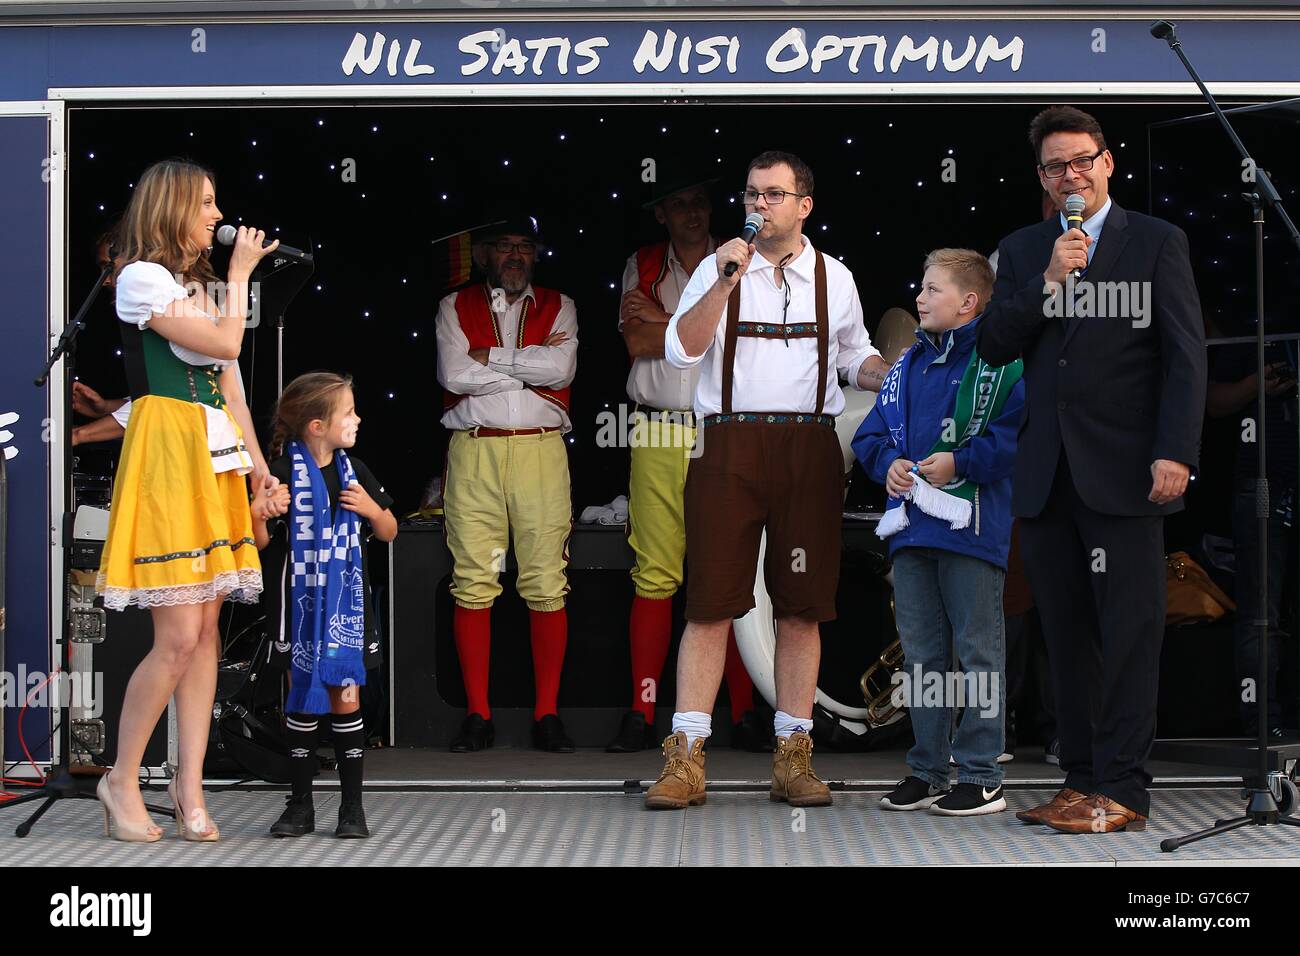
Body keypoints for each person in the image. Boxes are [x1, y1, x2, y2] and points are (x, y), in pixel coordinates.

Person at [977, 106, 1207, 833]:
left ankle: (1125, 791)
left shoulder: (1157, 243)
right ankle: (1080, 781)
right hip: (1048, 474)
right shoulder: (1023, 249)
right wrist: (1048, 280)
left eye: (1082, 160)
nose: (1070, 175)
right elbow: (992, 346)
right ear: (1042, 178)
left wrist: (1176, 450)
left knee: (1130, 631)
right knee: (1066, 633)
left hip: (1130, 471)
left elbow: (1184, 356)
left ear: (1108, 163)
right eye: (1055, 166)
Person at [644, 150, 889, 810]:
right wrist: (724, 282)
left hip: (808, 447)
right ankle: (685, 759)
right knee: (710, 602)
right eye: (753, 195)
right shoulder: (717, 267)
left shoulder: (834, 278)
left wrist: (886, 374)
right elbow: (681, 349)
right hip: (729, 444)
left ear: (804, 206)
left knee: (802, 607)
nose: (759, 206)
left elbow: (854, 354)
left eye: (773, 195)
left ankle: (793, 756)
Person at [95, 159, 280, 842]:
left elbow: (231, 385)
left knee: (205, 634)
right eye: (204, 203)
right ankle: (121, 777)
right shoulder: (142, 278)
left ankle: (188, 785)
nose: (215, 214)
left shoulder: (195, 287)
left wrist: (260, 471)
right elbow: (227, 341)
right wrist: (240, 276)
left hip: (215, 451)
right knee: (176, 636)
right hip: (169, 450)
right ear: (170, 208)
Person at [854, 248, 1024, 816]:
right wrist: (888, 465)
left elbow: (1014, 439)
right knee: (924, 657)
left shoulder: (1000, 361)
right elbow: (871, 434)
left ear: (969, 301)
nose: (919, 299)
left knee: (977, 650)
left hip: (970, 525)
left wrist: (961, 462)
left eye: (931, 290)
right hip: (911, 529)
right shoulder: (906, 366)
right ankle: (927, 769)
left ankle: (980, 774)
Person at [609, 176, 765, 754]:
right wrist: (675, 324)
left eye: (699, 201)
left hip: (721, 428)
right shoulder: (642, 264)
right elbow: (637, 343)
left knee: (731, 571)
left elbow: (724, 339)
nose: (692, 213)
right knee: (655, 572)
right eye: (679, 204)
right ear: (661, 214)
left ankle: (747, 712)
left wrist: (664, 319)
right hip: (655, 427)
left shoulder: (739, 258)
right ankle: (642, 710)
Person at [435, 214, 581, 753]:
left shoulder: (559, 304)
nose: (515, 256)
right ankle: (477, 713)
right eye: (504, 247)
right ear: (484, 255)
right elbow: (453, 376)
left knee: (545, 581)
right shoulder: (454, 306)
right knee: (474, 578)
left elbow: (562, 371)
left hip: (541, 448)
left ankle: (547, 714)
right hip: (475, 448)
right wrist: (528, 369)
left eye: (524, 246)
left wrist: (492, 359)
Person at [252, 372, 398, 839]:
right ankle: (300, 806)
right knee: (301, 698)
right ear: (317, 425)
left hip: (345, 612)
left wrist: (372, 512)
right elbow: (255, 542)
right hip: (296, 611)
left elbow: (390, 530)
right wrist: (261, 511)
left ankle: (352, 808)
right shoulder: (276, 474)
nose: (357, 419)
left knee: (346, 699)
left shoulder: (355, 472)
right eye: (349, 412)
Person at [1207, 342, 1298, 736]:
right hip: (1262, 480)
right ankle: (1264, 722)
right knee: (1260, 610)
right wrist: (1256, 384)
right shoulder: (1251, 330)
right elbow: (1212, 400)